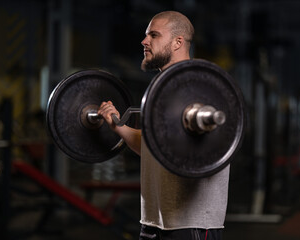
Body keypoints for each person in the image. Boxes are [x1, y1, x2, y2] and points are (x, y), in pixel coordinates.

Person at [97, 11, 230, 240]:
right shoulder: (161, 91)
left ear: (178, 42)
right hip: (152, 223)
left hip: (191, 224)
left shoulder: (200, 86)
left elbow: (212, 148)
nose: (144, 41)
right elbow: (153, 147)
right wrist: (118, 126)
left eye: (153, 35)